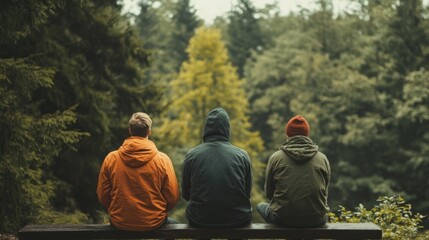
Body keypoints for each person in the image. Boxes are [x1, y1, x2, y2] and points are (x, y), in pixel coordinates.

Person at [96, 112, 179, 231]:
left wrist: (118, 210)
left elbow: (103, 195)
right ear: (149, 132)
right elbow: (173, 197)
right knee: (174, 224)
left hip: (120, 221)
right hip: (154, 222)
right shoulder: (163, 160)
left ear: (130, 130)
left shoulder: (111, 158)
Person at [181, 107, 252, 228]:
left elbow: (186, 194)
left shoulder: (192, 155)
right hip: (237, 218)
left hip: (200, 219)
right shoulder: (242, 155)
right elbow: (246, 193)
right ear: (227, 128)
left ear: (206, 129)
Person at [257, 115, 330, 227]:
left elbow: (269, 194)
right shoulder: (322, 158)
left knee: (261, 206)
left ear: (287, 135)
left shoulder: (276, 158)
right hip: (316, 219)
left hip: (283, 219)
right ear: (307, 135)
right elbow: (324, 193)